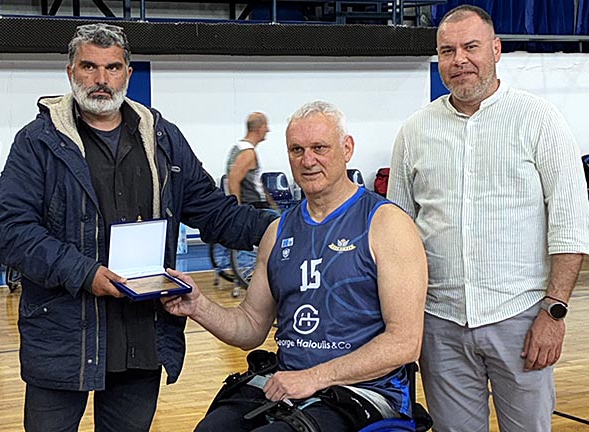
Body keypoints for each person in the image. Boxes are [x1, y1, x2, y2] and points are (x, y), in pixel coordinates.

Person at [0, 23, 277, 432]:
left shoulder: (163, 139)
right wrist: (85, 273)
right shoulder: (38, 143)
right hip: (63, 340)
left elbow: (214, 211)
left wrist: (282, 226)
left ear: (127, 72)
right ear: (70, 72)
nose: (101, 79)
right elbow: (13, 232)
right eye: (89, 67)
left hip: (142, 337)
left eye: (112, 68)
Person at [387, 5, 589, 432]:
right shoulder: (415, 131)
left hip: (522, 319)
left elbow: (571, 224)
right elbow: (397, 234)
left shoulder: (539, 120)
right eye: (447, 51)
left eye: (471, 47)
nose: (459, 59)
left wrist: (553, 314)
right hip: (440, 325)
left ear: (496, 50)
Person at [162, 100, 428, 431]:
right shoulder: (278, 231)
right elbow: (250, 327)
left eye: (319, 148)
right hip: (289, 384)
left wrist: (314, 377)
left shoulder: (386, 224)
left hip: (364, 391)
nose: (308, 160)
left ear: (347, 149)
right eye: (297, 150)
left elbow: (404, 342)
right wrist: (198, 306)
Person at [226, 112, 277, 209]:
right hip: (253, 205)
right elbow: (233, 181)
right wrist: (237, 210)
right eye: (265, 126)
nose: (268, 130)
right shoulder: (247, 153)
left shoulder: (239, 147)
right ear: (259, 128)